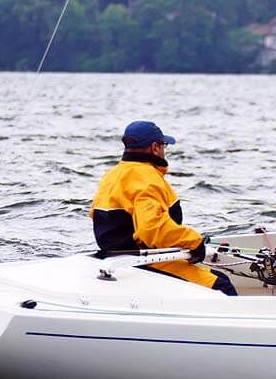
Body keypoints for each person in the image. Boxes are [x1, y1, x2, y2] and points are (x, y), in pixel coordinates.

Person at [90, 120, 237, 296]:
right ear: (155, 148)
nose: (164, 150)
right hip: (143, 260)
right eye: (163, 145)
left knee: (218, 277)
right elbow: (151, 228)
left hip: (117, 256)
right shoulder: (147, 179)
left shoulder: (112, 175)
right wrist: (194, 242)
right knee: (223, 286)